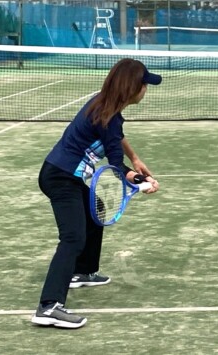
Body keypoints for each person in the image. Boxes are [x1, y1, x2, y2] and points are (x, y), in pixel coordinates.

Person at [32, 58, 162, 329]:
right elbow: (115, 166)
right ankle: (49, 306)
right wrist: (141, 182)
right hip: (61, 177)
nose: (146, 90)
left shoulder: (103, 103)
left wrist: (135, 158)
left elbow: (117, 136)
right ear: (132, 87)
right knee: (72, 238)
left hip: (61, 172)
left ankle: (83, 271)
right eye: (144, 84)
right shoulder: (108, 117)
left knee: (96, 212)